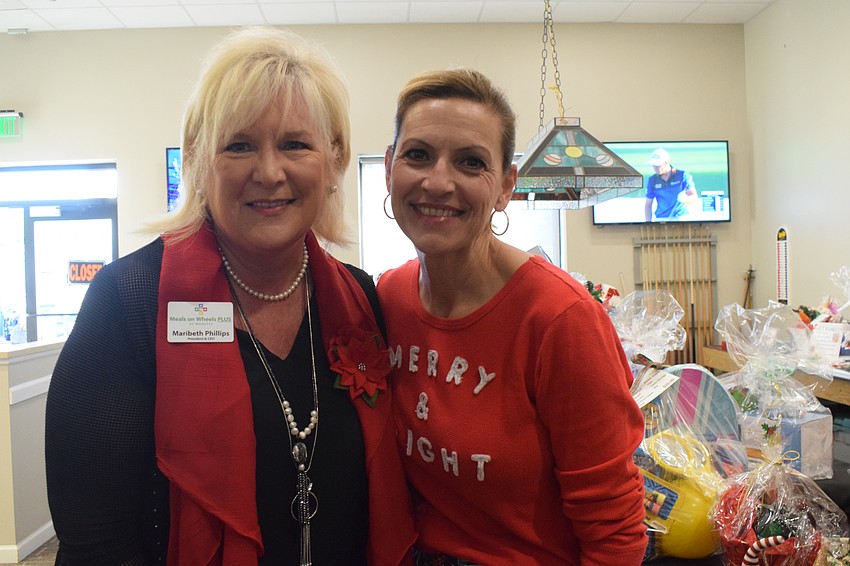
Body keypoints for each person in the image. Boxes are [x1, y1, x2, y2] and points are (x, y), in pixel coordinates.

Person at [45, 27, 415, 565]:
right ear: (197, 160)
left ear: (334, 160)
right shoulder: (129, 301)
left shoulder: (360, 296)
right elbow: (96, 537)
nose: (269, 172)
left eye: (295, 144)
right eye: (239, 145)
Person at [378, 68, 648, 565]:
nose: (438, 182)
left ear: (505, 187)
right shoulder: (388, 295)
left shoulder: (561, 320)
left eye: (470, 162)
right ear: (389, 168)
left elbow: (616, 529)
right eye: (418, 155)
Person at [644, 147, 698, 221]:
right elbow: (648, 205)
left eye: (658, 165)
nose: (655, 168)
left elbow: (693, 197)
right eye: (653, 165)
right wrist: (648, 224)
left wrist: (685, 199)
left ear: (666, 163)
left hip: (681, 218)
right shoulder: (652, 180)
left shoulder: (682, 175)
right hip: (661, 219)